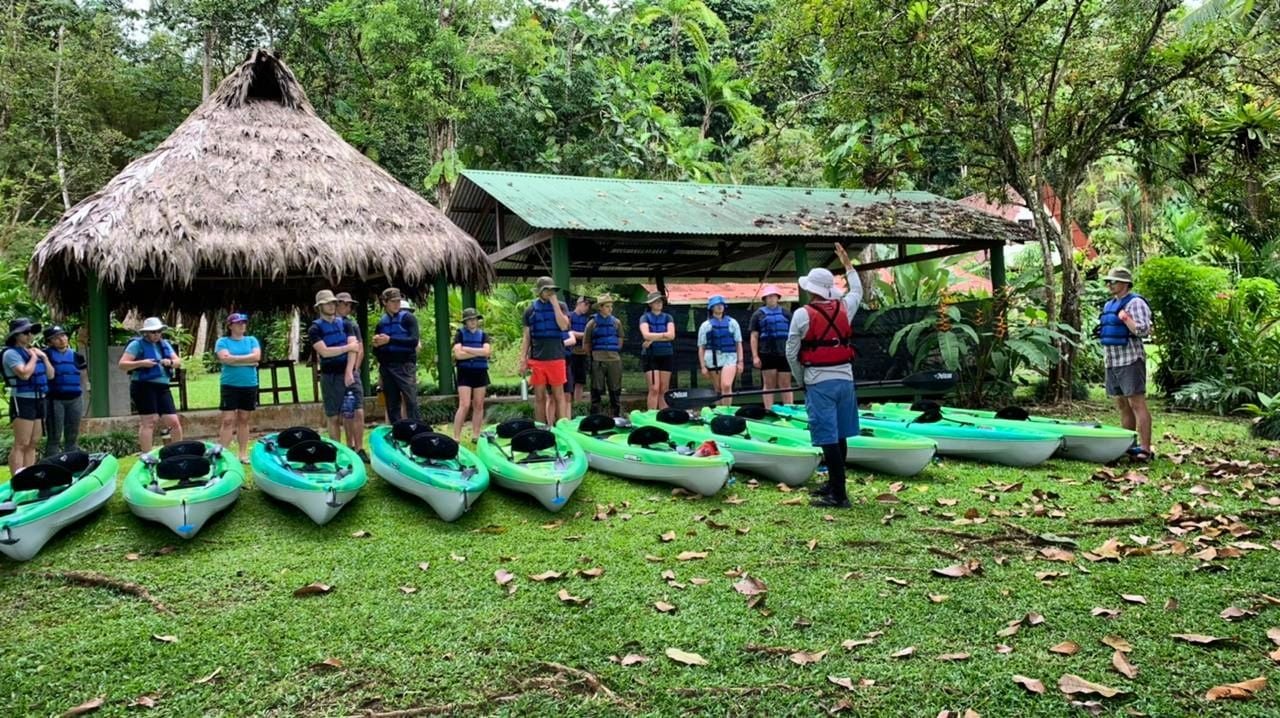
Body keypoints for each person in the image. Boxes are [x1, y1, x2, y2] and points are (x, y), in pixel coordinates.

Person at [786, 246, 863, 510]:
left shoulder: (801, 314)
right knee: (840, 434)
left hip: (819, 382)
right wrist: (847, 265)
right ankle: (834, 485)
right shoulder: (845, 307)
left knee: (829, 437)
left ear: (810, 290)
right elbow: (857, 292)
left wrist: (800, 379)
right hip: (845, 380)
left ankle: (839, 495)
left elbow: (791, 351)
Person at [1100, 267, 1154, 461]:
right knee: (1122, 404)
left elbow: (1143, 331)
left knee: (1136, 403)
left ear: (1124, 283)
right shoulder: (1109, 304)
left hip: (1130, 359)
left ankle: (1145, 449)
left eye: (1113, 281)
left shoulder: (1135, 303)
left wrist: (1127, 319)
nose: (1109, 285)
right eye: (1108, 282)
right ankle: (1128, 445)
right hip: (1112, 359)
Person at [118, 317, 183, 454]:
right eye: (153, 332)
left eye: (159, 332)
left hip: (162, 387)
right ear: (146, 333)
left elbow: (177, 361)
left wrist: (170, 362)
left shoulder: (164, 344)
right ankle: (147, 455)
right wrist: (142, 363)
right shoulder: (136, 345)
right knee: (149, 421)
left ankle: (179, 451)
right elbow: (123, 364)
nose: (156, 335)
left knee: (173, 421)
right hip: (143, 386)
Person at [308, 290, 359, 450]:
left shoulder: (346, 323)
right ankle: (336, 449)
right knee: (333, 416)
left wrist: (349, 371)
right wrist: (346, 347)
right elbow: (324, 351)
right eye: (327, 303)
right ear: (320, 306)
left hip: (347, 373)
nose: (331, 306)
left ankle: (351, 448)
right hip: (329, 375)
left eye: (333, 302)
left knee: (350, 412)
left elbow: (354, 348)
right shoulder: (315, 329)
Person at [519, 276, 571, 425]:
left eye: (552, 289)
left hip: (557, 357)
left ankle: (562, 428)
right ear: (539, 291)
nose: (550, 292)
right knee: (540, 397)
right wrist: (523, 359)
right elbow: (526, 337)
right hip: (537, 359)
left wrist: (555, 305)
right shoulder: (530, 310)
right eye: (546, 290)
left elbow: (563, 326)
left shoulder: (561, 306)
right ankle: (541, 428)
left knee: (559, 395)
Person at [3, 318, 52, 473]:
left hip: (39, 398)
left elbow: (50, 375)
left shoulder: (32, 351)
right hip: (22, 398)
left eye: (30, 332)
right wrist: (34, 357)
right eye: (25, 332)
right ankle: (17, 479)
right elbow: (24, 374)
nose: (29, 335)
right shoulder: (11, 353)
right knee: (21, 443)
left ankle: (29, 477)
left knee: (33, 442)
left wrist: (43, 357)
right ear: (16, 336)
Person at [215, 313, 261, 463]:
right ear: (230, 326)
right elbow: (224, 359)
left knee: (244, 418)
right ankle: (225, 454)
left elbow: (256, 357)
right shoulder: (223, 342)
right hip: (230, 385)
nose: (241, 325)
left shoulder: (251, 340)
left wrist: (234, 360)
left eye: (243, 323)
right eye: (238, 323)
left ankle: (242, 454)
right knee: (228, 419)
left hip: (249, 384)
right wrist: (247, 361)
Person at [372, 287, 421, 424]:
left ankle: (416, 429)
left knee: (410, 401)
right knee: (392, 403)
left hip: (405, 365)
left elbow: (413, 341)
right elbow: (377, 352)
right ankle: (397, 430)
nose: (396, 304)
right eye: (393, 301)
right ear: (385, 302)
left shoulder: (408, 319)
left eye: (398, 301)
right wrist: (376, 346)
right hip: (387, 367)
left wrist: (390, 340)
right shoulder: (381, 323)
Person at [41, 325, 87, 457]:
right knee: (54, 436)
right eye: (56, 338)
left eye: (63, 336)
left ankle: (71, 463)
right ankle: (52, 464)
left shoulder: (77, 356)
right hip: (55, 399)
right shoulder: (46, 355)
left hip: (75, 398)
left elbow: (83, 375)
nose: (61, 340)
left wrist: (85, 388)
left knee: (72, 434)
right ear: (49, 342)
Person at [334, 291, 368, 461]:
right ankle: (349, 446)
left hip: (352, 373)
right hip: (335, 372)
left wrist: (353, 369)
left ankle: (360, 447)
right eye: (344, 304)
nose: (347, 307)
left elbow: (359, 349)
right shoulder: (330, 324)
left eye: (349, 304)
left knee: (358, 409)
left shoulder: (352, 324)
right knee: (346, 411)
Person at [750, 285, 794, 410]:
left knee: (786, 384)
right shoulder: (757, 315)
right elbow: (754, 336)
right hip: (767, 353)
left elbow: (794, 334)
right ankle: (768, 410)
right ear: (765, 298)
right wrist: (755, 356)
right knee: (769, 384)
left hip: (784, 352)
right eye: (769, 296)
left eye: (774, 296)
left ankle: (789, 409)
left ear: (778, 297)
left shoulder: (786, 313)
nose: (772, 298)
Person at [451, 308, 491, 441]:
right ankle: (456, 436)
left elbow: (486, 352)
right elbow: (458, 354)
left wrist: (467, 349)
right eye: (469, 320)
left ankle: (476, 435)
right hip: (465, 372)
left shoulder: (483, 335)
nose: (473, 322)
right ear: (465, 322)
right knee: (465, 404)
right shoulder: (460, 334)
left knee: (479, 404)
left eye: (474, 319)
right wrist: (477, 352)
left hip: (480, 371)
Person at [697, 295, 743, 406]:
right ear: (711, 308)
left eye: (721, 305)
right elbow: (701, 347)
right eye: (716, 305)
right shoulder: (705, 325)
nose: (719, 307)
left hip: (730, 357)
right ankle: (720, 412)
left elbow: (738, 343)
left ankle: (727, 411)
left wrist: (740, 361)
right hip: (712, 359)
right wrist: (703, 366)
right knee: (717, 388)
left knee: (726, 385)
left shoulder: (733, 323)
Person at [584, 294, 625, 417]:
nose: (610, 309)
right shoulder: (592, 323)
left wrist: (614, 350)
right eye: (607, 306)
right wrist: (594, 355)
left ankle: (616, 417)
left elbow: (620, 339)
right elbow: (586, 343)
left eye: (611, 306)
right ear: (600, 307)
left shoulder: (616, 322)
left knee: (615, 390)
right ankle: (596, 417)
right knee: (596, 390)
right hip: (598, 359)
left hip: (614, 359)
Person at [640, 291, 676, 410]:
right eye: (656, 301)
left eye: (660, 301)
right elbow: (645, 334)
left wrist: (653, 338)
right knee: (654, 388)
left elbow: (671, 335)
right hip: (651, 355)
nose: (659, 303)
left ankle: (663, 415)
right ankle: (651, 415)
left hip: (666, 354)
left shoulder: (668, 317)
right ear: (650, 304)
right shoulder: (644, 317)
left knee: (664, 388)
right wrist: (663, 336)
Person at [568, 296, 594, 405]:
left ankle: (577, 405)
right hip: (571, 353)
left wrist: (576, 334)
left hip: (583, 353)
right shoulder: (569, 316)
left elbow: (589, 335)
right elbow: (568, 333)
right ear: (579, 303)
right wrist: (583, 335)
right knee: (570, 381)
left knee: (580, 381)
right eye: (585, 304)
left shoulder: (588, 319)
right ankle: (569, 403)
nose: (587, 307)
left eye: (588, 305)